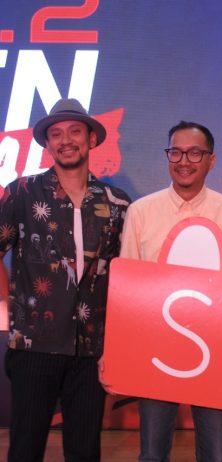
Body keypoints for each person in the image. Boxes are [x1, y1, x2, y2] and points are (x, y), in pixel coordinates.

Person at [119, 120, 222, 462]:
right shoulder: (141, 212)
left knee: (215, 453)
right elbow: (125, 290)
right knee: (152, 452)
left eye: (194, 153)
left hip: (215, 347)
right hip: (154, 347)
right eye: (175, 152)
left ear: (211, 160)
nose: (184, 161)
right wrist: (117, 350)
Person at [0, 98, 131, 461]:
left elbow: (127, 274)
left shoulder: (117, 202)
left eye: (75, 131)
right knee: (25, 449)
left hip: (92, 350)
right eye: (56, 134)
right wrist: (9, 305)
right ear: (47, 143)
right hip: (33, 346)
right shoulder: (22, 192)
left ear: (92, 139)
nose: (66, 140)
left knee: (85, 451)